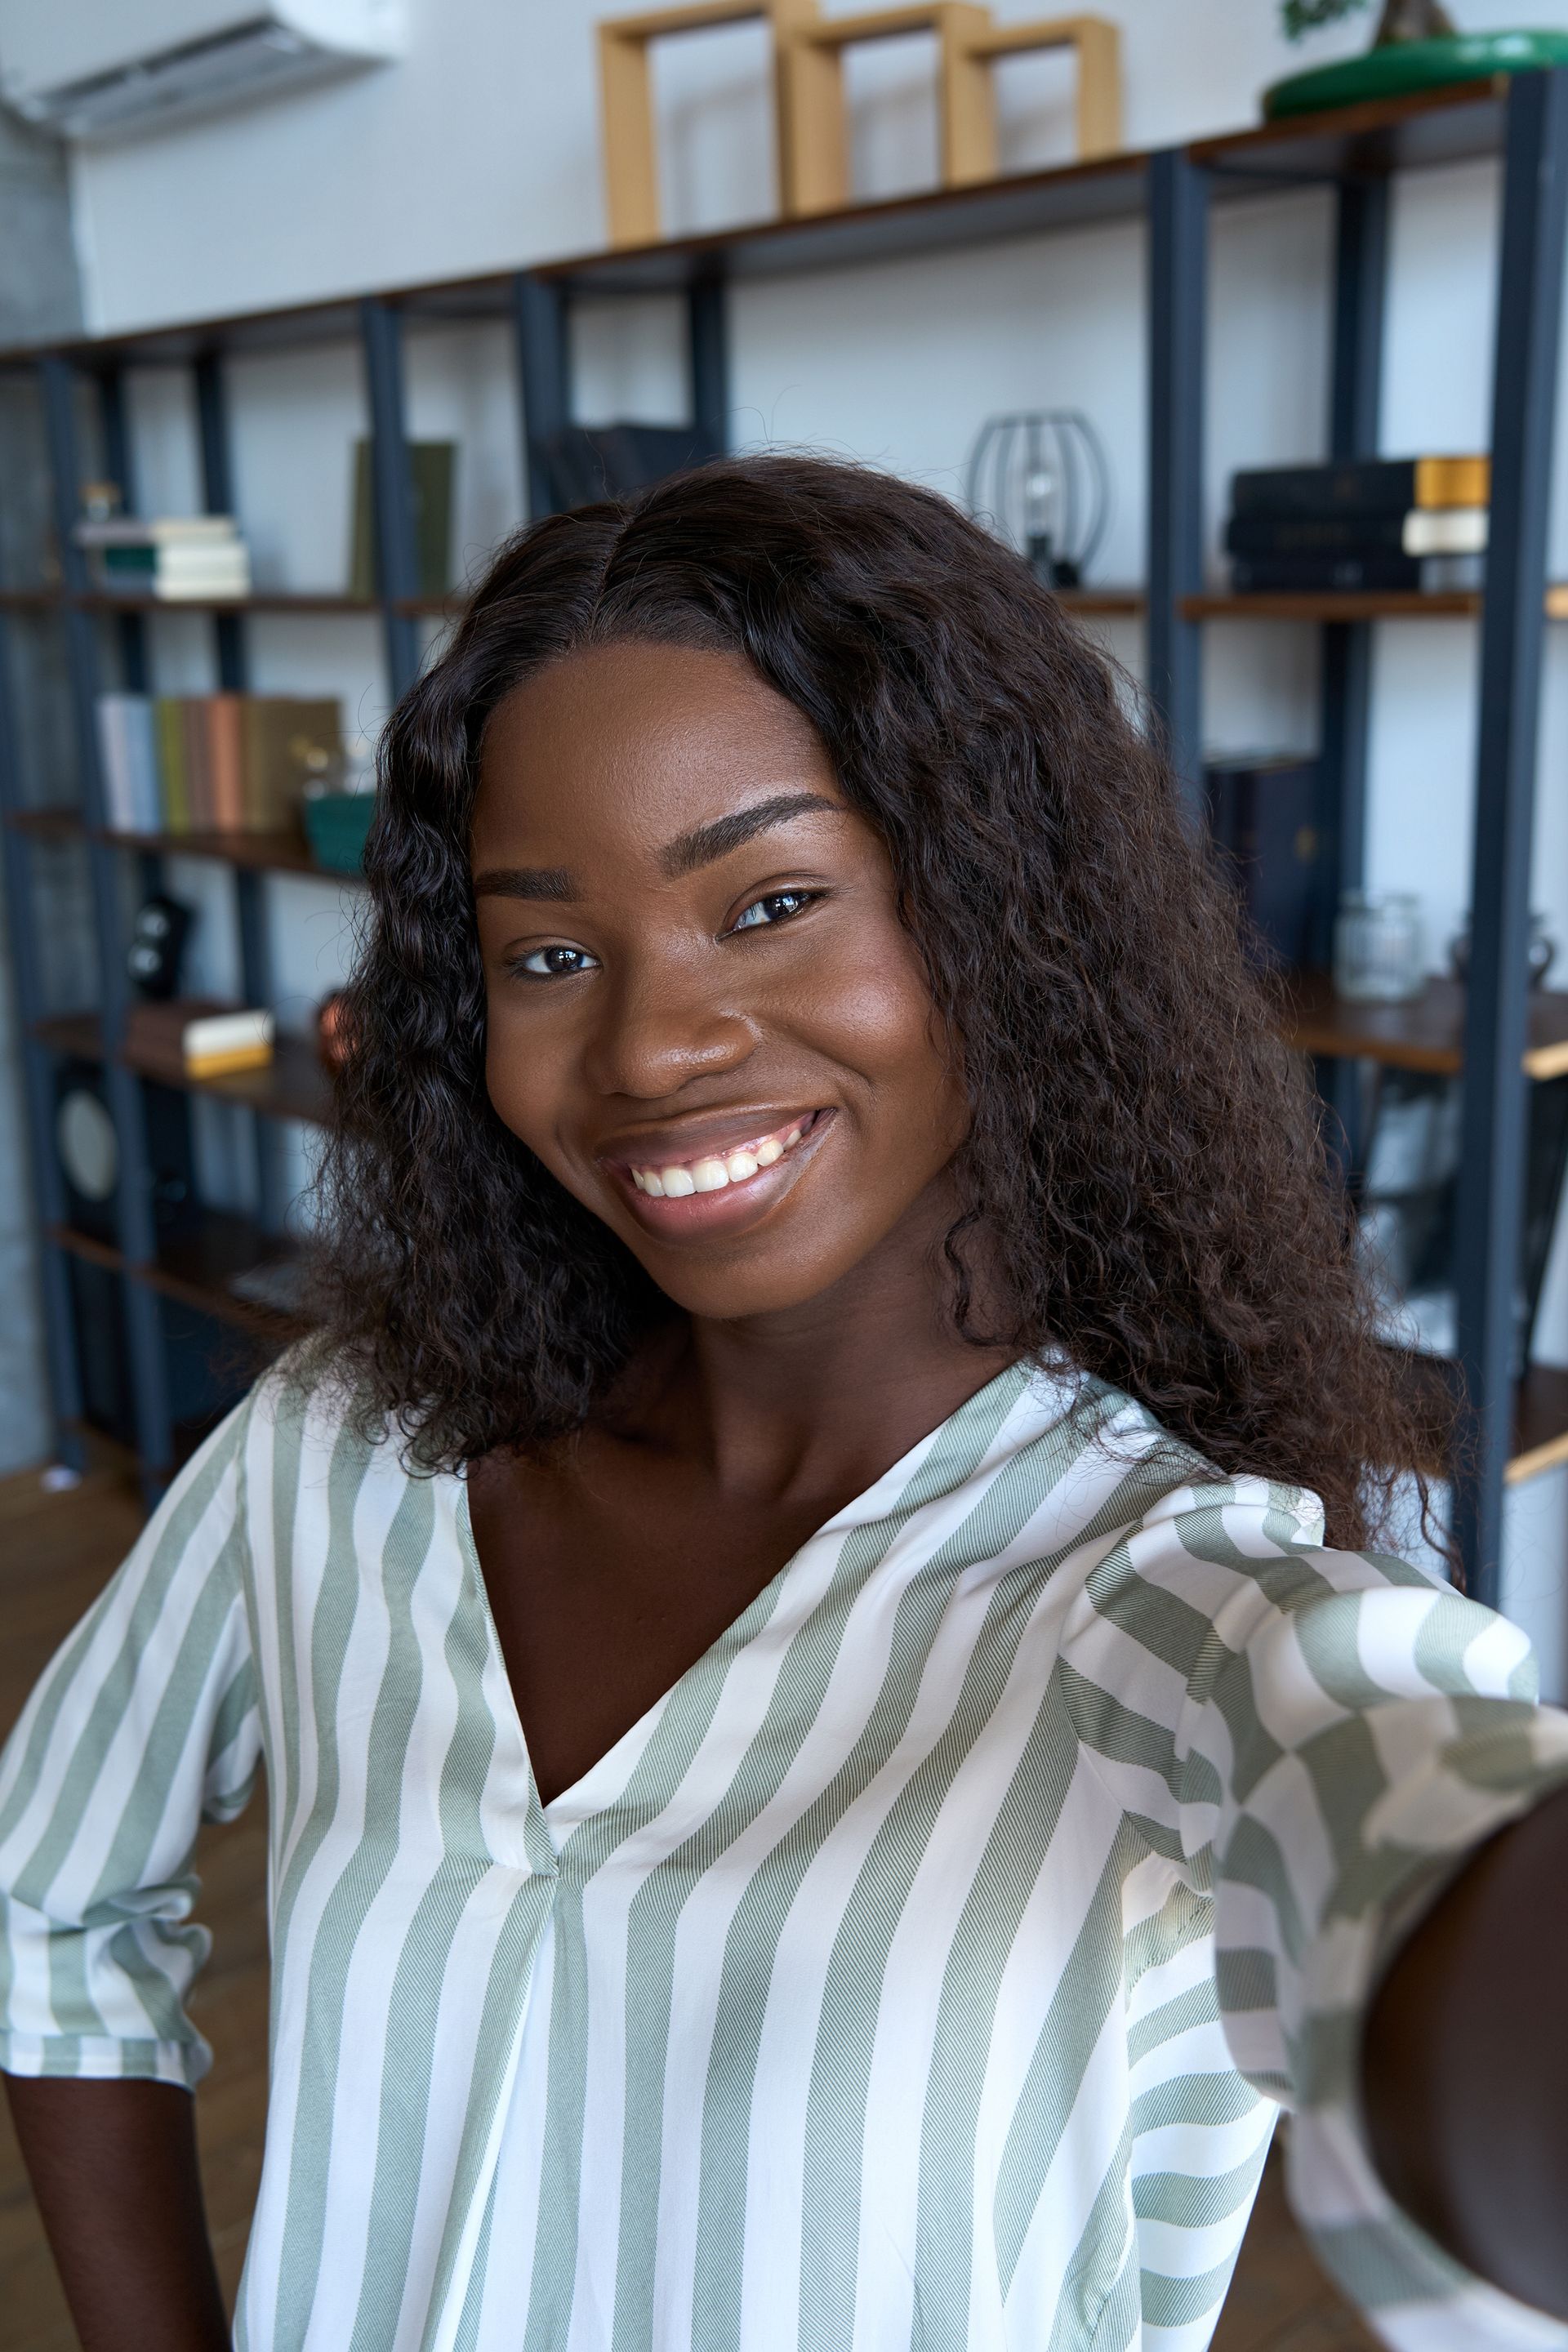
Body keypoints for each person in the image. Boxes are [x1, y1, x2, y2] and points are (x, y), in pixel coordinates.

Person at [2, 456, 1566, 2352]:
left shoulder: (1157, 1598)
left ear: (999, 914)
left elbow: (1397, 1795)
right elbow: (50, 1902)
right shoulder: (348, 1450)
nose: (651, 1046)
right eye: (551, 955)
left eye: (774, 900)